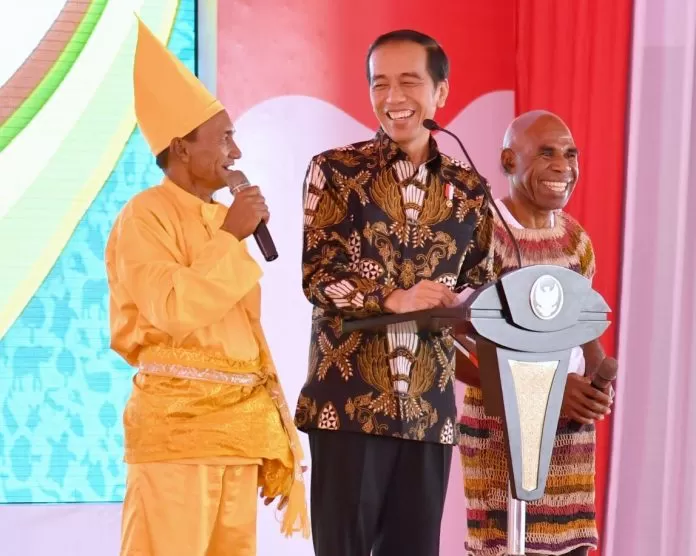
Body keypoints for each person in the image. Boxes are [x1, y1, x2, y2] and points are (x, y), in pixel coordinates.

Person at [105, 19, 308, 556]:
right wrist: (231, 236)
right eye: (223, 138)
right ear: (180, 147)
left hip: (236, 433)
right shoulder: (143, 217)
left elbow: (244, 335)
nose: (235, 152)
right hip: (175, 436)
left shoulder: (221, 218)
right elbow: (174, 308)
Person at [294, 30, 494, 556]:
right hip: (348, 403)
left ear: (441, 92)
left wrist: (467, 308)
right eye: (379, 84)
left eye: (409, 82)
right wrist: (391, 297)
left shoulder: (470, 188)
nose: (393, 97)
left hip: (429, 409)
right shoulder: (335, 170)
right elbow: (318, 274)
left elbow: (482, 282)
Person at [456, 110, 616, 556]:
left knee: (570, 546)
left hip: (570, 430)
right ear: (509, 161)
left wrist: (599, 379)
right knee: (508, 546)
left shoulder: (576, 240)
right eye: (546, 153)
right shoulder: (480, 233)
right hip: (500, 432)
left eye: (570, 153)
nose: (563, 166)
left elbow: (584, 328)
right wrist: (546, 391)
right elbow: (447, 341)